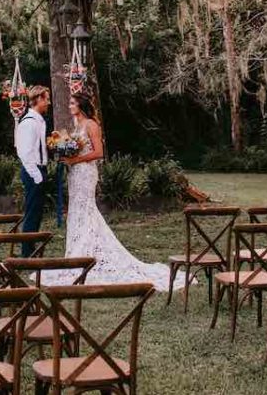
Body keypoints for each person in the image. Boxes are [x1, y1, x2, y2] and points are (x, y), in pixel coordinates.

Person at [59, 91, 181, 290]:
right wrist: (66, 154)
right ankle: (76, 252)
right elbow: (77, 148)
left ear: (81, 105)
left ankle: (89, 251)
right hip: (75, 174)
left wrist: (76, 160)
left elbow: (98, 153)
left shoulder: (91, 125)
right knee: (77, 211)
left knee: (87, 209)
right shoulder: (77, 126)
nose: (70, 106)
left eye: (72, 103)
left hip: (86, 173)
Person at [15, 85, 49, 257]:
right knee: (31, 213)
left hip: (40, 169)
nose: (48, 102)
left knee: (36, 213)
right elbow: (24, 152)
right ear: (39, 99)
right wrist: (37, 177)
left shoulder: (39, 120)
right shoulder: (29, 122)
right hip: (33, 172)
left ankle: (30, 250)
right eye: (46, 99)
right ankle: (26, 255)